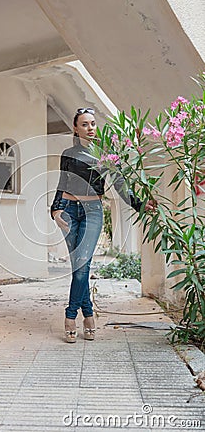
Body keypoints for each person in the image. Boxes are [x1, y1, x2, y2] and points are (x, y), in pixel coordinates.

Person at [50, 108, 156, 343]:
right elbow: (62, 182)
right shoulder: (68, 153)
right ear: (75, 128)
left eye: (93, 124)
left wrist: (139, 204)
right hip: (68, 211)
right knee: (79, 266)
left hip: (93, 212)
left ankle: (70, 317)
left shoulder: (105, 154)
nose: (90, 128)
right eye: (84, 124)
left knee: (82, 265)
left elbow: (119, 184)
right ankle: (88, 313)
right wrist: (54, 209)